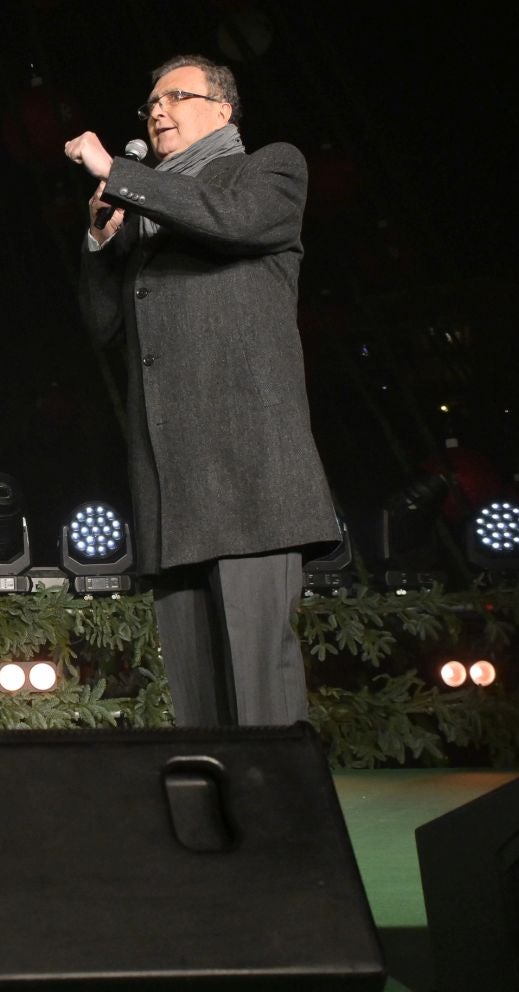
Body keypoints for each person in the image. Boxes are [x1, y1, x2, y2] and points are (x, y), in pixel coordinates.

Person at [63, 54, 339, 728]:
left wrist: (119, 172)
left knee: (260, 698)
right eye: (150, 103)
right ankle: (218, 830)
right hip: (173, 485)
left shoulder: (267, 169)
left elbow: (234, 218)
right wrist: (101, 237)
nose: (157, 111)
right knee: (201, 707)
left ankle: (282, 827)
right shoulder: (146, 213)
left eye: (175, 97)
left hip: (253, 479)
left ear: (222, 110)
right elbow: (102, 326)